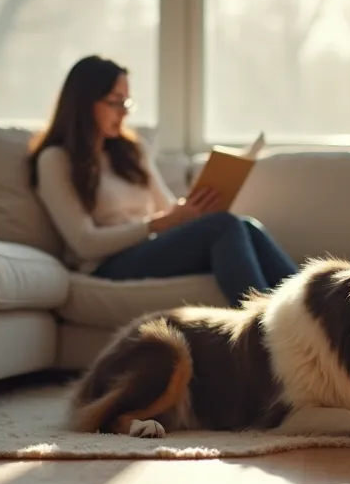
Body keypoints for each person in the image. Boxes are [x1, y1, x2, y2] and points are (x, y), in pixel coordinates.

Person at [28, 55, 299, 306]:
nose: (124, 112)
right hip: (107, 264)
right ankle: (265, 331)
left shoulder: (132, 151)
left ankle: (314, 308)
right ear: (84, 102)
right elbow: (84, 243)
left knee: (245, 226)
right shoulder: (55, 160)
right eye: (115, 101)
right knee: (223, 226)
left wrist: (190, 210)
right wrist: (162, 222)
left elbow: (166, 206)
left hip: (149, 248)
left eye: (127, 102)